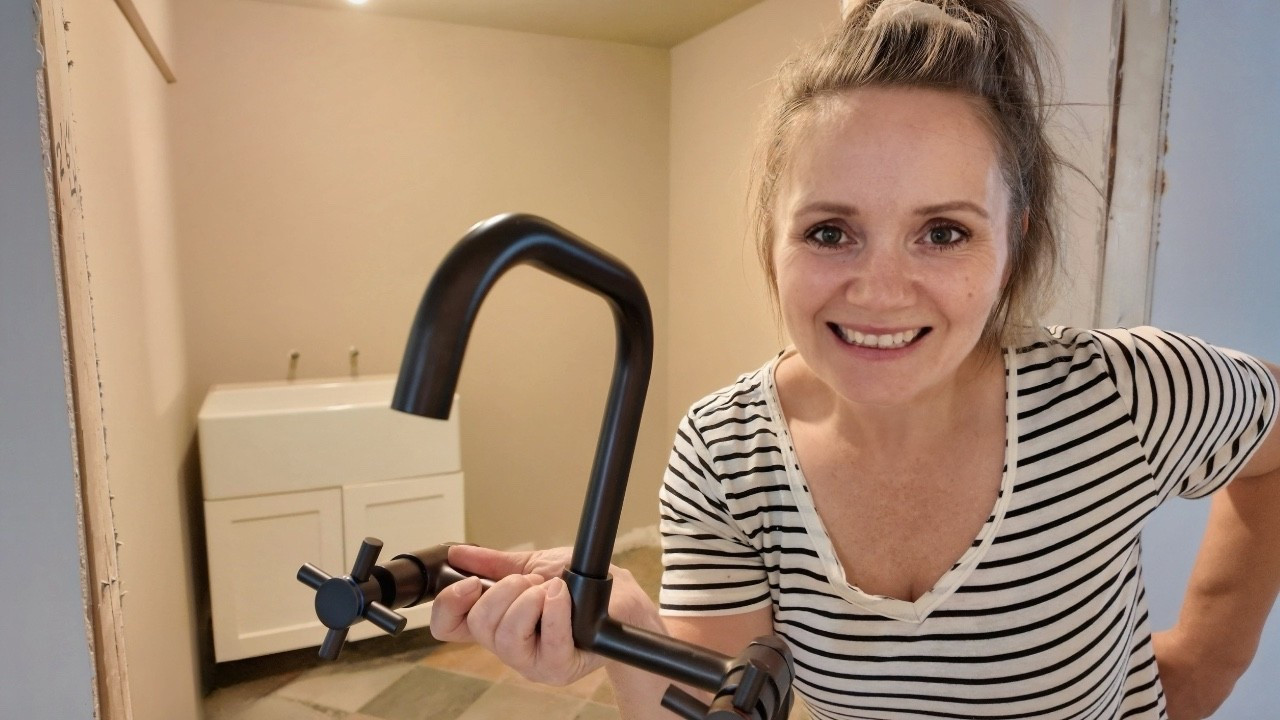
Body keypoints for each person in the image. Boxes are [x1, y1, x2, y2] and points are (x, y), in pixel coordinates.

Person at [429, 1, 1280, 718]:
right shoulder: (726, 452)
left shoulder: (1118, 396)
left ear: (1012, 246)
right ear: (775, 238)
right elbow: (714, 697)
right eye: (830, 232)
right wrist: (621, 629)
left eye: (942, 233)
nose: (879, 291)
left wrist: (1210, 656)